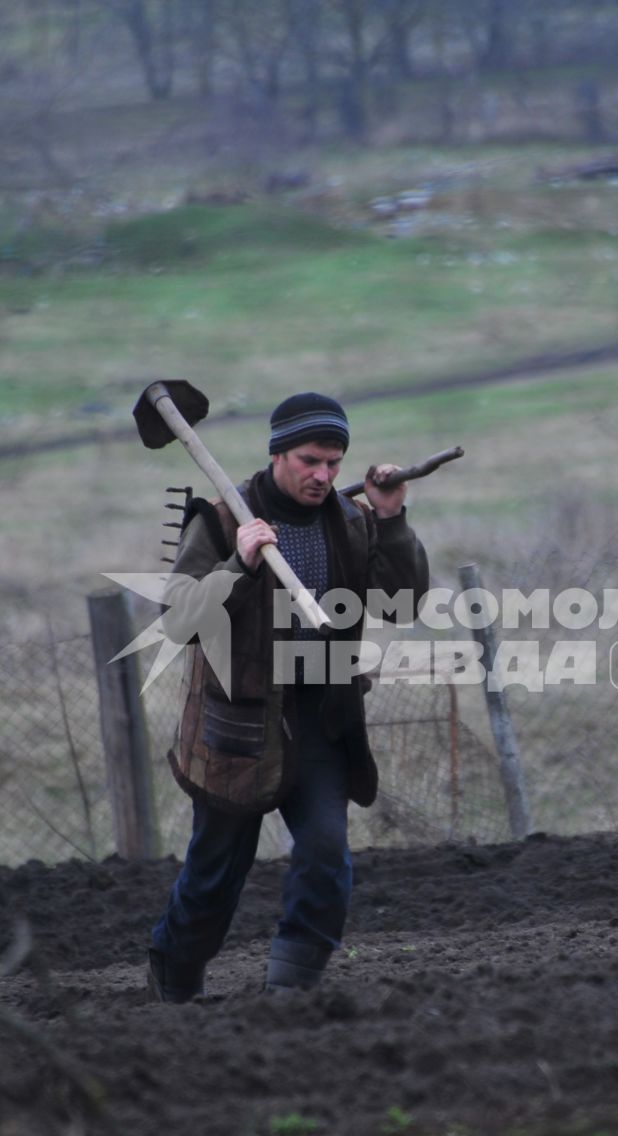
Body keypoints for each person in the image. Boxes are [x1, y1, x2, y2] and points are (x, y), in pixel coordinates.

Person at [146, 391, 429, 1002]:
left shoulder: (352, 522)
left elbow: (401, 603)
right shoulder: (222, 522)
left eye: (333, 463)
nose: (323, 475)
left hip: (323, 718)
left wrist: (390, 517)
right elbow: (177, 624)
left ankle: (290, 995)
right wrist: (238, 565)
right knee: (214, 876)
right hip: (237, 727)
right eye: (310, 460)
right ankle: (174, 978)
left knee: (326, 854)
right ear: (277, 454)